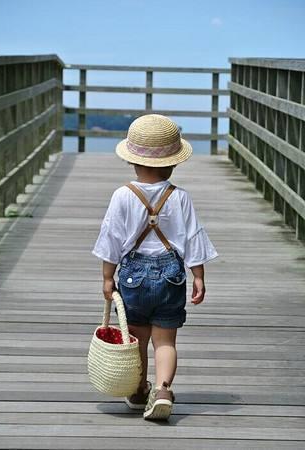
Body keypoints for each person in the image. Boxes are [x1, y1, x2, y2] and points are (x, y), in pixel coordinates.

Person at [92, 114, 218, 420]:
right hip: (172, 276)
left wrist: (108, 278)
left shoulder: (122, 195)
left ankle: (137, 391)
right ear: (173, 164)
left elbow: (111, 237)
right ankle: (163, 389)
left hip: (133, 277)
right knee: (165, 342)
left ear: (132, 162)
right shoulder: (180, 197)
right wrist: (198, 275)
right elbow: (193, 237)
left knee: (136, 340)